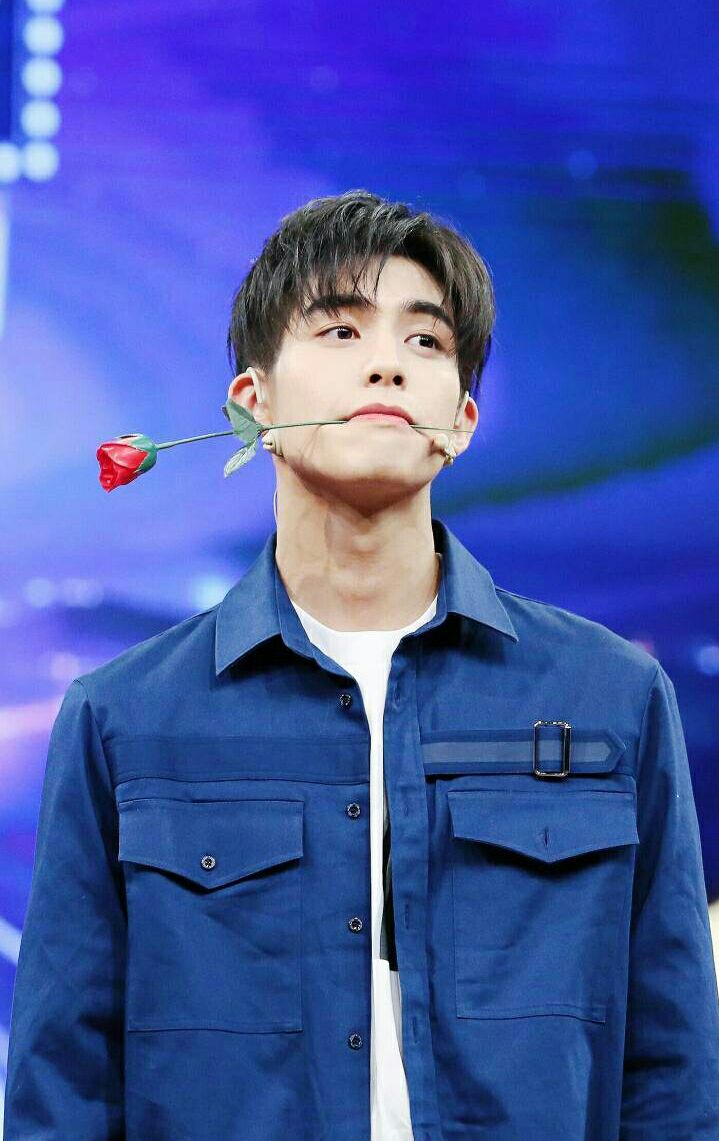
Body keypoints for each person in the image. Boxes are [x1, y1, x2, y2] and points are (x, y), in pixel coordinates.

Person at [4, 189, 719, 1140]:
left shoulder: (610, 698)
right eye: (340, 330)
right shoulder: (124, 718)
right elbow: (60, 1087)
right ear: (252, 403)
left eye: (425, 340)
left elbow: (672, 1075)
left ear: (460, 419)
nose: (387, 362)